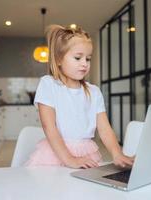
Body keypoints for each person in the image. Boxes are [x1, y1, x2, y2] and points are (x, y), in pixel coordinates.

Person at [25, 24, 134, 169]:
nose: (84, 64)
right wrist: (69, 160)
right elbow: (48, 126)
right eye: (78, 58)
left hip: (86, 152)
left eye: (88, 59)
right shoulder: (48, 84)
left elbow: (105, 129)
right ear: (58, 60)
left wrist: (117, 153)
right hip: (56, 153)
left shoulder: (94, 91)